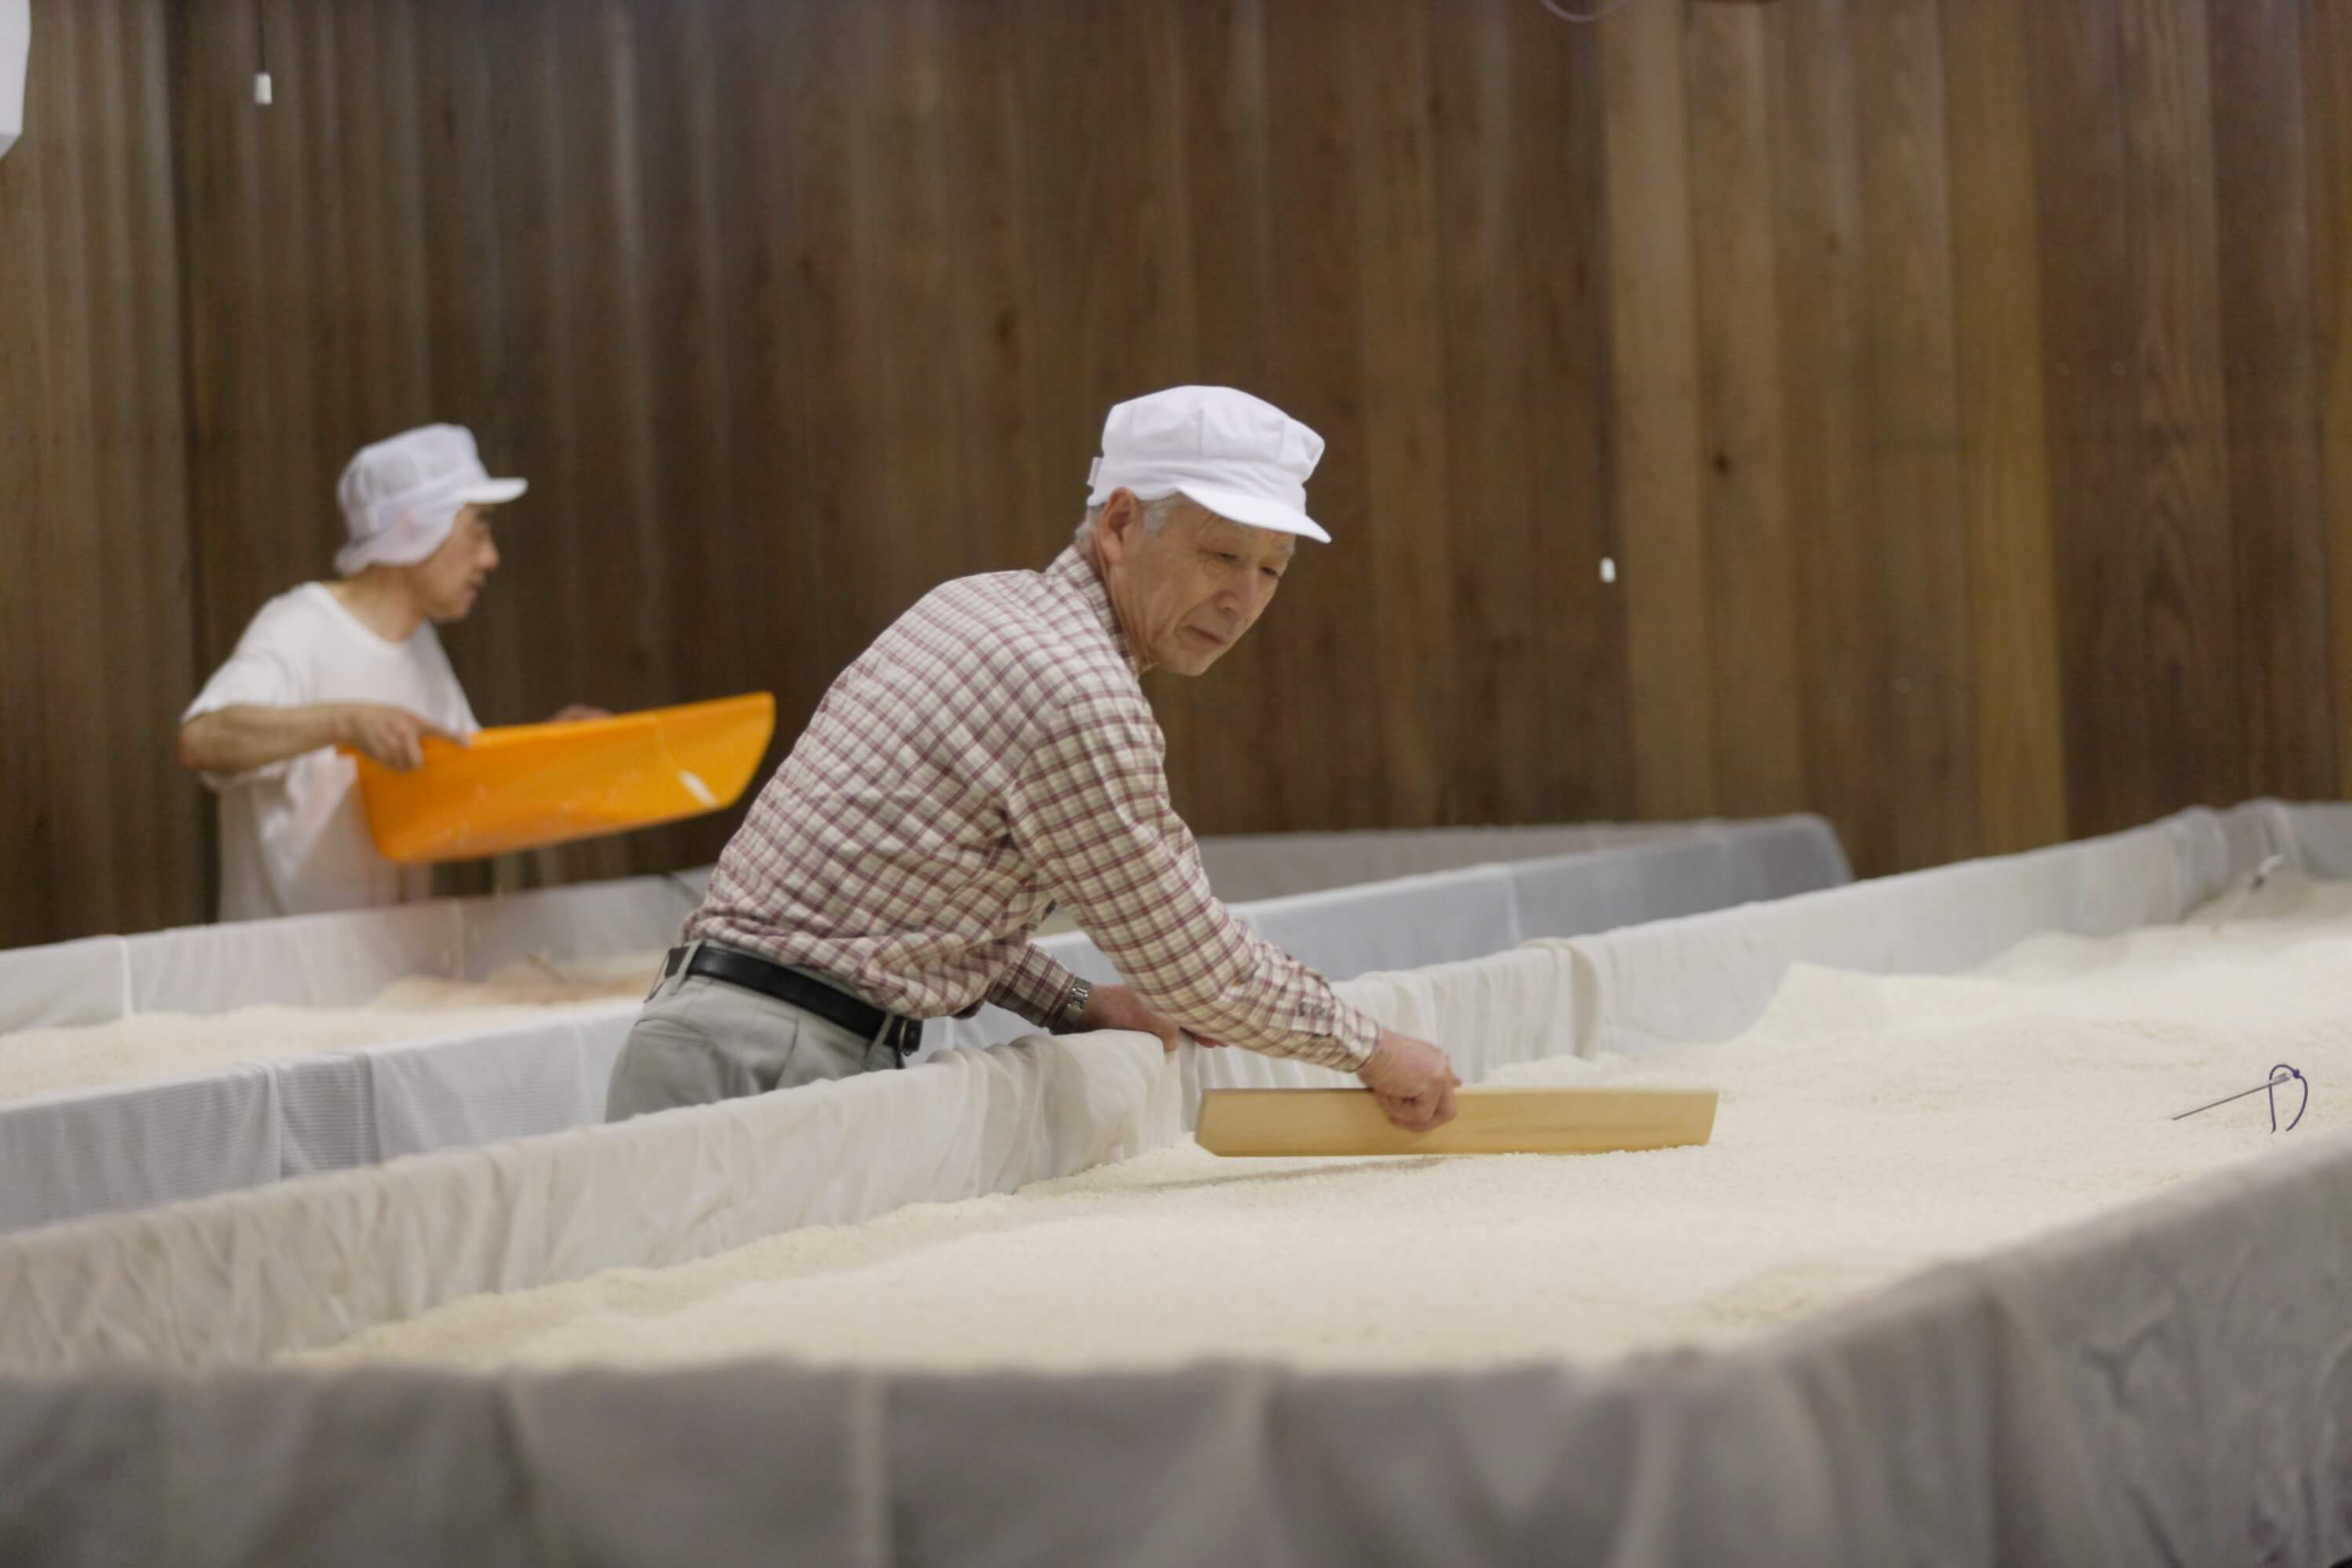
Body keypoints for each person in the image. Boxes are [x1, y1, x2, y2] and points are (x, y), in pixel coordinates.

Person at [608, 386, 1459, 1132]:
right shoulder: (1075, 688)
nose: (1241, 600)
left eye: (1272, 569)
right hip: (767, 1057)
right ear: (1121, 523)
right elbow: (1193, 963)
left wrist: (1077, 1001)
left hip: (732, 1033)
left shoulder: (971, 605)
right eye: (1220, 554)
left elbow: (905, 899)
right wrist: (1374, 1049)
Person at [176, 423, 604, 921]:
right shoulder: (300, 625)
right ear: (414, 528)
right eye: (477, 528)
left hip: (387, 980)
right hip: (289, 981)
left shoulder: (420, 647)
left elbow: (466, 791)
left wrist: (557, 751)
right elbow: (202, 738)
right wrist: (347, 722)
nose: (491, 558)